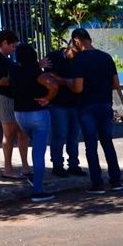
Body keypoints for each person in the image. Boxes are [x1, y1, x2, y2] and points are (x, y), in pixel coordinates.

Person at [67, 28, 123, 193]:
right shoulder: (106, 57)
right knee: (107, 142)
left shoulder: (79, 60)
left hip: (86, 106)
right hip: (105, 104)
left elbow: (78, 88)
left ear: (77, 41)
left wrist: (67, 83)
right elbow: (116, 84)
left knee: (91, 145)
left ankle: (97, 183)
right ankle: (116, 180)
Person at [9, 44, 58, 202]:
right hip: (38, 113)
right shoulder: (37, 73)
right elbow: (53, 85)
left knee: (31, 144)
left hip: (20, 115)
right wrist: (48, 98)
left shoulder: (14, 71)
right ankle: (37, 190)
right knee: (38, 153)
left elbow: (23, 73)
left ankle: (32, 180)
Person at [0, 30, 31, 180]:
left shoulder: (3, 58)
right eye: (12, 46)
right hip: (3, 97)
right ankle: (8, 169)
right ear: (4, 43)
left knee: (22, 132)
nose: (14, 50)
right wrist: (19, 79)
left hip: (14, 97)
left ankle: (25, 167)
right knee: (9, 133)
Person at [44, 42, 84, 178]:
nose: (76, 57)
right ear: (68, 48)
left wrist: (63, 80)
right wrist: (70, 82)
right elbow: (49, 79)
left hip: (75, 102)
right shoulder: (53, 57)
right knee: (59, 134)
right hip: (57, 103)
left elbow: (80, 81)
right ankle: (57, 165)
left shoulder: (79, 60)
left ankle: (73, 164)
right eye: (75, 53)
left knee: (73, 136)